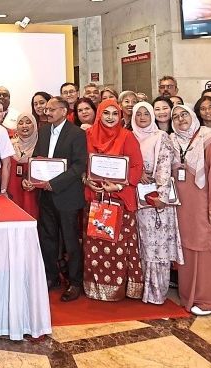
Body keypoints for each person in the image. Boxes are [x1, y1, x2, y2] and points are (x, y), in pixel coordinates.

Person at [22, 96, 88, 302]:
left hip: (66, 195)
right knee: (48, 238)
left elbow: (79, 166)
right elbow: (37, 160)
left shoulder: (77, 134)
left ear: (63, 110)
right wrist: (30, 179)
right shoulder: (42, 132)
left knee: (70, 241)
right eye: (46, 109)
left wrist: (55, 183)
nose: (46, 112)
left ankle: (75, 282)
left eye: (51, 109)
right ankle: (51, 277)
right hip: (46, 196)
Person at [169, 106, 211, 316]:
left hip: (206, 206)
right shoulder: (172, 141)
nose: (180, 119)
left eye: (184, 114)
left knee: (208, 252)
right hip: (184, 208)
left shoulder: (210, 140)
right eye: (176, 117)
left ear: (193, 116)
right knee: (188, 250)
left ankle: (208, 300)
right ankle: (189, 295)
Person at [80, 99, 144, 301]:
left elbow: (136, 166)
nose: (110, 117)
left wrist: (119, 186)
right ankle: (95, 287)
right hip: (95, 198)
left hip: (119, 198)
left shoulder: (127, 136)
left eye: (114, 113)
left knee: (119, 245)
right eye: (106, 113)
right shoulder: (87, 135)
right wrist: (86, 180)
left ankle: (119, 288)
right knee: (95, 245)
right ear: (99, 114)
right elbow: (80, 163)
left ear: (120, 116)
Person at [131, 101, 183, 305]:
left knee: (158, 245)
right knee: (142, 244)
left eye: (146, 113)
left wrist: (161, 195)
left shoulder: (161, 137)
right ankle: (142, 287)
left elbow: (164, 166)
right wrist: (138, 173)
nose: (142, 117)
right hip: (136, 197)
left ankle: (156, 292)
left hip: (157, 199)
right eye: (138, 114)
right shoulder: (130, 136)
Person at [6, 115, 39, 218]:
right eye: (20, 123)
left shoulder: (41, 146)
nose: (24, 126)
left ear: (35, 125)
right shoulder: (9, 146)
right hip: (12, 188)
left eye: (28, 122)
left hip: (33, 191)